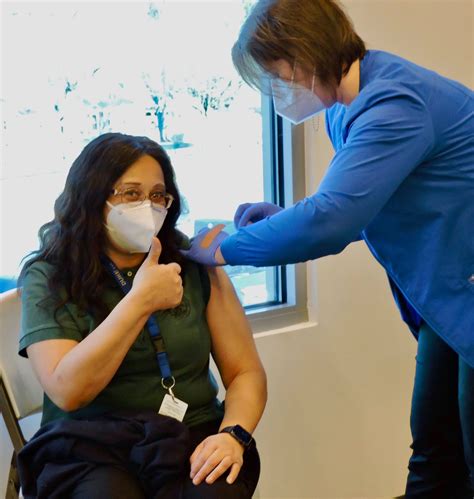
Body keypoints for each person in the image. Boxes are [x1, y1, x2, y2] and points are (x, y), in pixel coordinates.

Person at [180, 0, 474, 496]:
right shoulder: (346, 107)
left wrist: (228, 248)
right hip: (447, 297)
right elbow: (369, 205)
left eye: (274, 76)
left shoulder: (393, 103)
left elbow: (332, 220)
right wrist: (279, 220)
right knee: (434, 451)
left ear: (303, 55)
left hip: (461, 288)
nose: (274, 91)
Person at [17, 132, 266, 499]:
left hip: (190, 433)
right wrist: (140, 302)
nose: (147, 206)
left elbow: (245, 372)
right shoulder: (50, 274)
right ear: (93, 197)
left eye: (157, 195)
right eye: (130, 194)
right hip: (87, 445)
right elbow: (68, 391)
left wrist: (233, 435)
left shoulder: (191, 259)